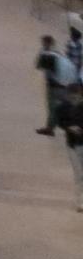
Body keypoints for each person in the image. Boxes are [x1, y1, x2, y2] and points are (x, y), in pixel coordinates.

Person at [36, 35, 79, 134]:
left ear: (46, 43)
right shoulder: (58, 54)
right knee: (68, 106)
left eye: (43, 42)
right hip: (65, 85)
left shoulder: (47, 55)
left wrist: (42, 52)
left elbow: (39, 66)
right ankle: (72, 127)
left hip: (54, 86)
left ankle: (50, 129)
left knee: (52, 107)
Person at [58, 83, 83, 211]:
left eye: (77, 96)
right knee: (79, 174)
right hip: (72, 144)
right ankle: (80, 202)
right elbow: (61, 122)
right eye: (73, 96)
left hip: (79, 143)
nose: (75, 99)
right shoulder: (63, 107)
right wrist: (69, 128)